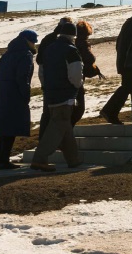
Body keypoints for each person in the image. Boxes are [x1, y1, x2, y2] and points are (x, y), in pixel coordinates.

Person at [31, 20, 83, 171]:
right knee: (57, 127)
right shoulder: (71, 50)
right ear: (73, 36)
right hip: (65, 94)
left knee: (64, 126)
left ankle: (73, 159)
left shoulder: (49, 49)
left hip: (50, 94)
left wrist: (47, 87)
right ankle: (39, 159)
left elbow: (42, 72)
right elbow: (75, 74)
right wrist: (77, 86)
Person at [100, 1, 132, 124]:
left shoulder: (129, 22)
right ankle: (110, 111)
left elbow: (119, 43)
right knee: (131, 87)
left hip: (124, 61)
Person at [0, 29, 37, 169]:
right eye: (33, 42)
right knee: (12, 127)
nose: (34, 44)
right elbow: (22, 78)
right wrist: (25, 95)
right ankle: (3, 160)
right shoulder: (25, 55)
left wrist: (0, 88)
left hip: (2, 94)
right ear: (27, 41)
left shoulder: (7, 54)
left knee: (6, 127)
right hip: (15, 94)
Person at [72, 20, 103, 125]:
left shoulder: (75, 42)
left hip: (73, 76)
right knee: (80, 107)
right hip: (78, 77)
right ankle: (68, 128)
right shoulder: (83, 43)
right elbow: (89, 58)